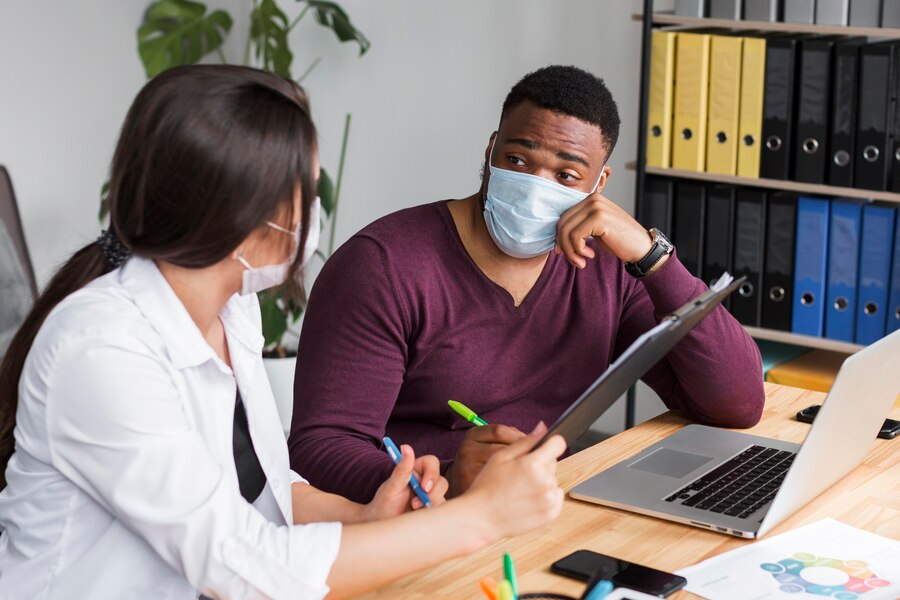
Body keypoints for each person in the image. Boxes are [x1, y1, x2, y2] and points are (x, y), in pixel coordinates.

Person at [0, 65, 566, 599]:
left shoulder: (232, 309)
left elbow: (263, 491)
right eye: (307, 194)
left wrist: (365, 517)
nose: (313, 215)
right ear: (243, 218)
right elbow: (238, 566)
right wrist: (482, 516)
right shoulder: (103, 349)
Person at [289, 65, 765, 503]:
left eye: (566, 174)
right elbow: (320, 446)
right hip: (416, 522)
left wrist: (652, 256)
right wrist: (448, 479)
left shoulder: (608, 266)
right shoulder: (383, 266)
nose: (536, 183)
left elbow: (737, 402)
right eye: (518, 159)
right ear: (491, 148)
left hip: (540, 507)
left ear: (598, 184)